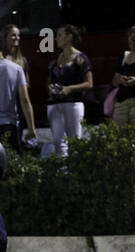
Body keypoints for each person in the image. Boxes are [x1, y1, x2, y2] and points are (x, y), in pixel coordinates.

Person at [45, 24, 92, 157]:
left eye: (60, 35)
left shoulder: (80, 58)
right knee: (58, 142)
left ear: (69, 37)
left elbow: (89, 83)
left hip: (73, 103)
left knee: (74, 141)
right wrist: (50, 87)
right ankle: (63, 173)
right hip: (54, 104)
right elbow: (49, 80)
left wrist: (70, 88)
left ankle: (75, 173)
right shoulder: (56, 58)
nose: (56, 38)